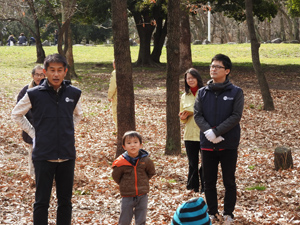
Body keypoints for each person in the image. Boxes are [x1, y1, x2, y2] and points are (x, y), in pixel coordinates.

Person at [11, 53, 83, 225]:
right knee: (42, 201)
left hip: (67, 155)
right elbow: (16, 114)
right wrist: (35, 134)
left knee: (65, 202)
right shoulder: (34, 94)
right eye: (52, 70)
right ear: (45, 72)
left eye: (60, 70)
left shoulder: (74, 93)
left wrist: (67, 130)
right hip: (43, 155)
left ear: (65, 71)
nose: (56, 74)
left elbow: (78, 115)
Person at [194, 54, 244, 224]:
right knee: (208, 180)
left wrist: (216, 132)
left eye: (217, 67)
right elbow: (197, 115)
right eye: (211, 66)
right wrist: (208, 132)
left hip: (228, 143)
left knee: (229, 180)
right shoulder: (202, 92)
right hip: (207, 144)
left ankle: (228, 213)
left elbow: (236, 116)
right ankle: (212, 212)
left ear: (227, 71)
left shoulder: (236, 92)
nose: (213, 69)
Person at [112, 131, 156, 225]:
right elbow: (116, 176)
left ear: (140, 145)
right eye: (129, 143)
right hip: (127, 195)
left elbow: (151, 172)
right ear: (124, 147)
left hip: (142, 194)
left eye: (135, 142)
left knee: (141, 218)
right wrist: (125, 183)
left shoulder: (145, 160)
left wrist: (143, 180)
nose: (132, 145)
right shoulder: (121, 162)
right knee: (125, 218)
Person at [16, 65, 45, 176]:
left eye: (41, 74)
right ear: (32, 76)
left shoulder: (49, 88)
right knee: (33, 152)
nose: (39, 77)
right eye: (36, 74)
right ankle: (33, 176)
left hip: (46, 127)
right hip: (31, 127)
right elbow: (19, 110)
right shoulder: (26, 90)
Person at [179, 68, 204, 193]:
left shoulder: (205, 93)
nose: (190, 80)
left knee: (205, 164)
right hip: (189, 135)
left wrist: (194, 112)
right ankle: (192, 188)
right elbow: (182, 117)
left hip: (204, 133)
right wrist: (183, 117)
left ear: (197, 78)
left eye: (192, 78)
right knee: (192, 163)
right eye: (188, 78)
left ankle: (205, 187)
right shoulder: (184, 96)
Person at [107, 60, 117, 130]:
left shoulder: (115, 73)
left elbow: (113, 86)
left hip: (117, 97)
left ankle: (119, 130)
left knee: (116, 113)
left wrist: (109, 95)